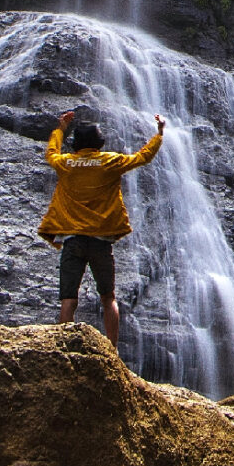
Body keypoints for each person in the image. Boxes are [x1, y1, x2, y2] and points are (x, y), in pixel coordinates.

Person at [39, 106, 164, 346]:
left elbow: (51, 154)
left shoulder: (67, 163)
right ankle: (112, 350)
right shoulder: (110, 161)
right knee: (108, 298)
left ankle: (63, 348)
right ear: (99, 142)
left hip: (73, 240)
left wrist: (59, 129)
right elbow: (143, 157)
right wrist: (158, 134)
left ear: (77, 144)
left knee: (68, 299)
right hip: (101, 242)